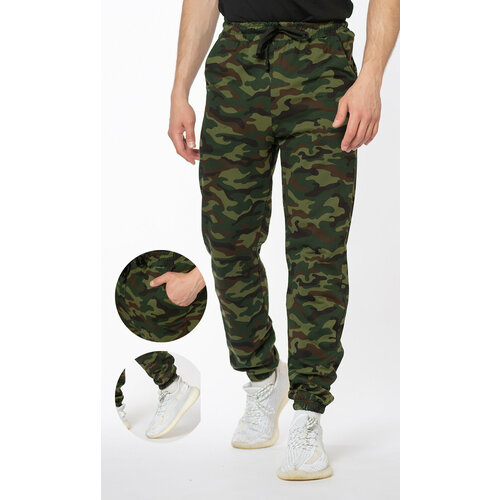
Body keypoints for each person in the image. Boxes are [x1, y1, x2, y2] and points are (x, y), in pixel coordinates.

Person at [168, 0, 399, 480]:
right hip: (236, 65)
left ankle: (308, 411)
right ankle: (263, 377)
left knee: (318, 247)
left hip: (322, 65)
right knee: (227, 241)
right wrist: (179, 89)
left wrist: (371, 79)